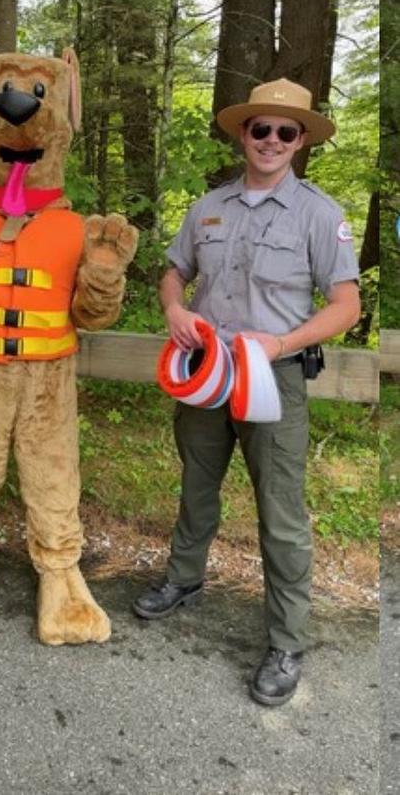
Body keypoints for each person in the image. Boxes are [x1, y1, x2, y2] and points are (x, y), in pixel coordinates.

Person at [132, 80, 360, 706]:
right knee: (197, 482)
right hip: (206, 369)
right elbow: (174, 270)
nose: (271, 141)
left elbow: (346, 305)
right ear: (243, 134)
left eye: (286, 132)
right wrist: (174, 306)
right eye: (261, 129)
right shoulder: (208, 207)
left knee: (280, 512)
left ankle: (286, 640)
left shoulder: (319, 213)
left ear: (301, 141)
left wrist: (279, 346)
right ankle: (184, 580)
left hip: (271, 376)